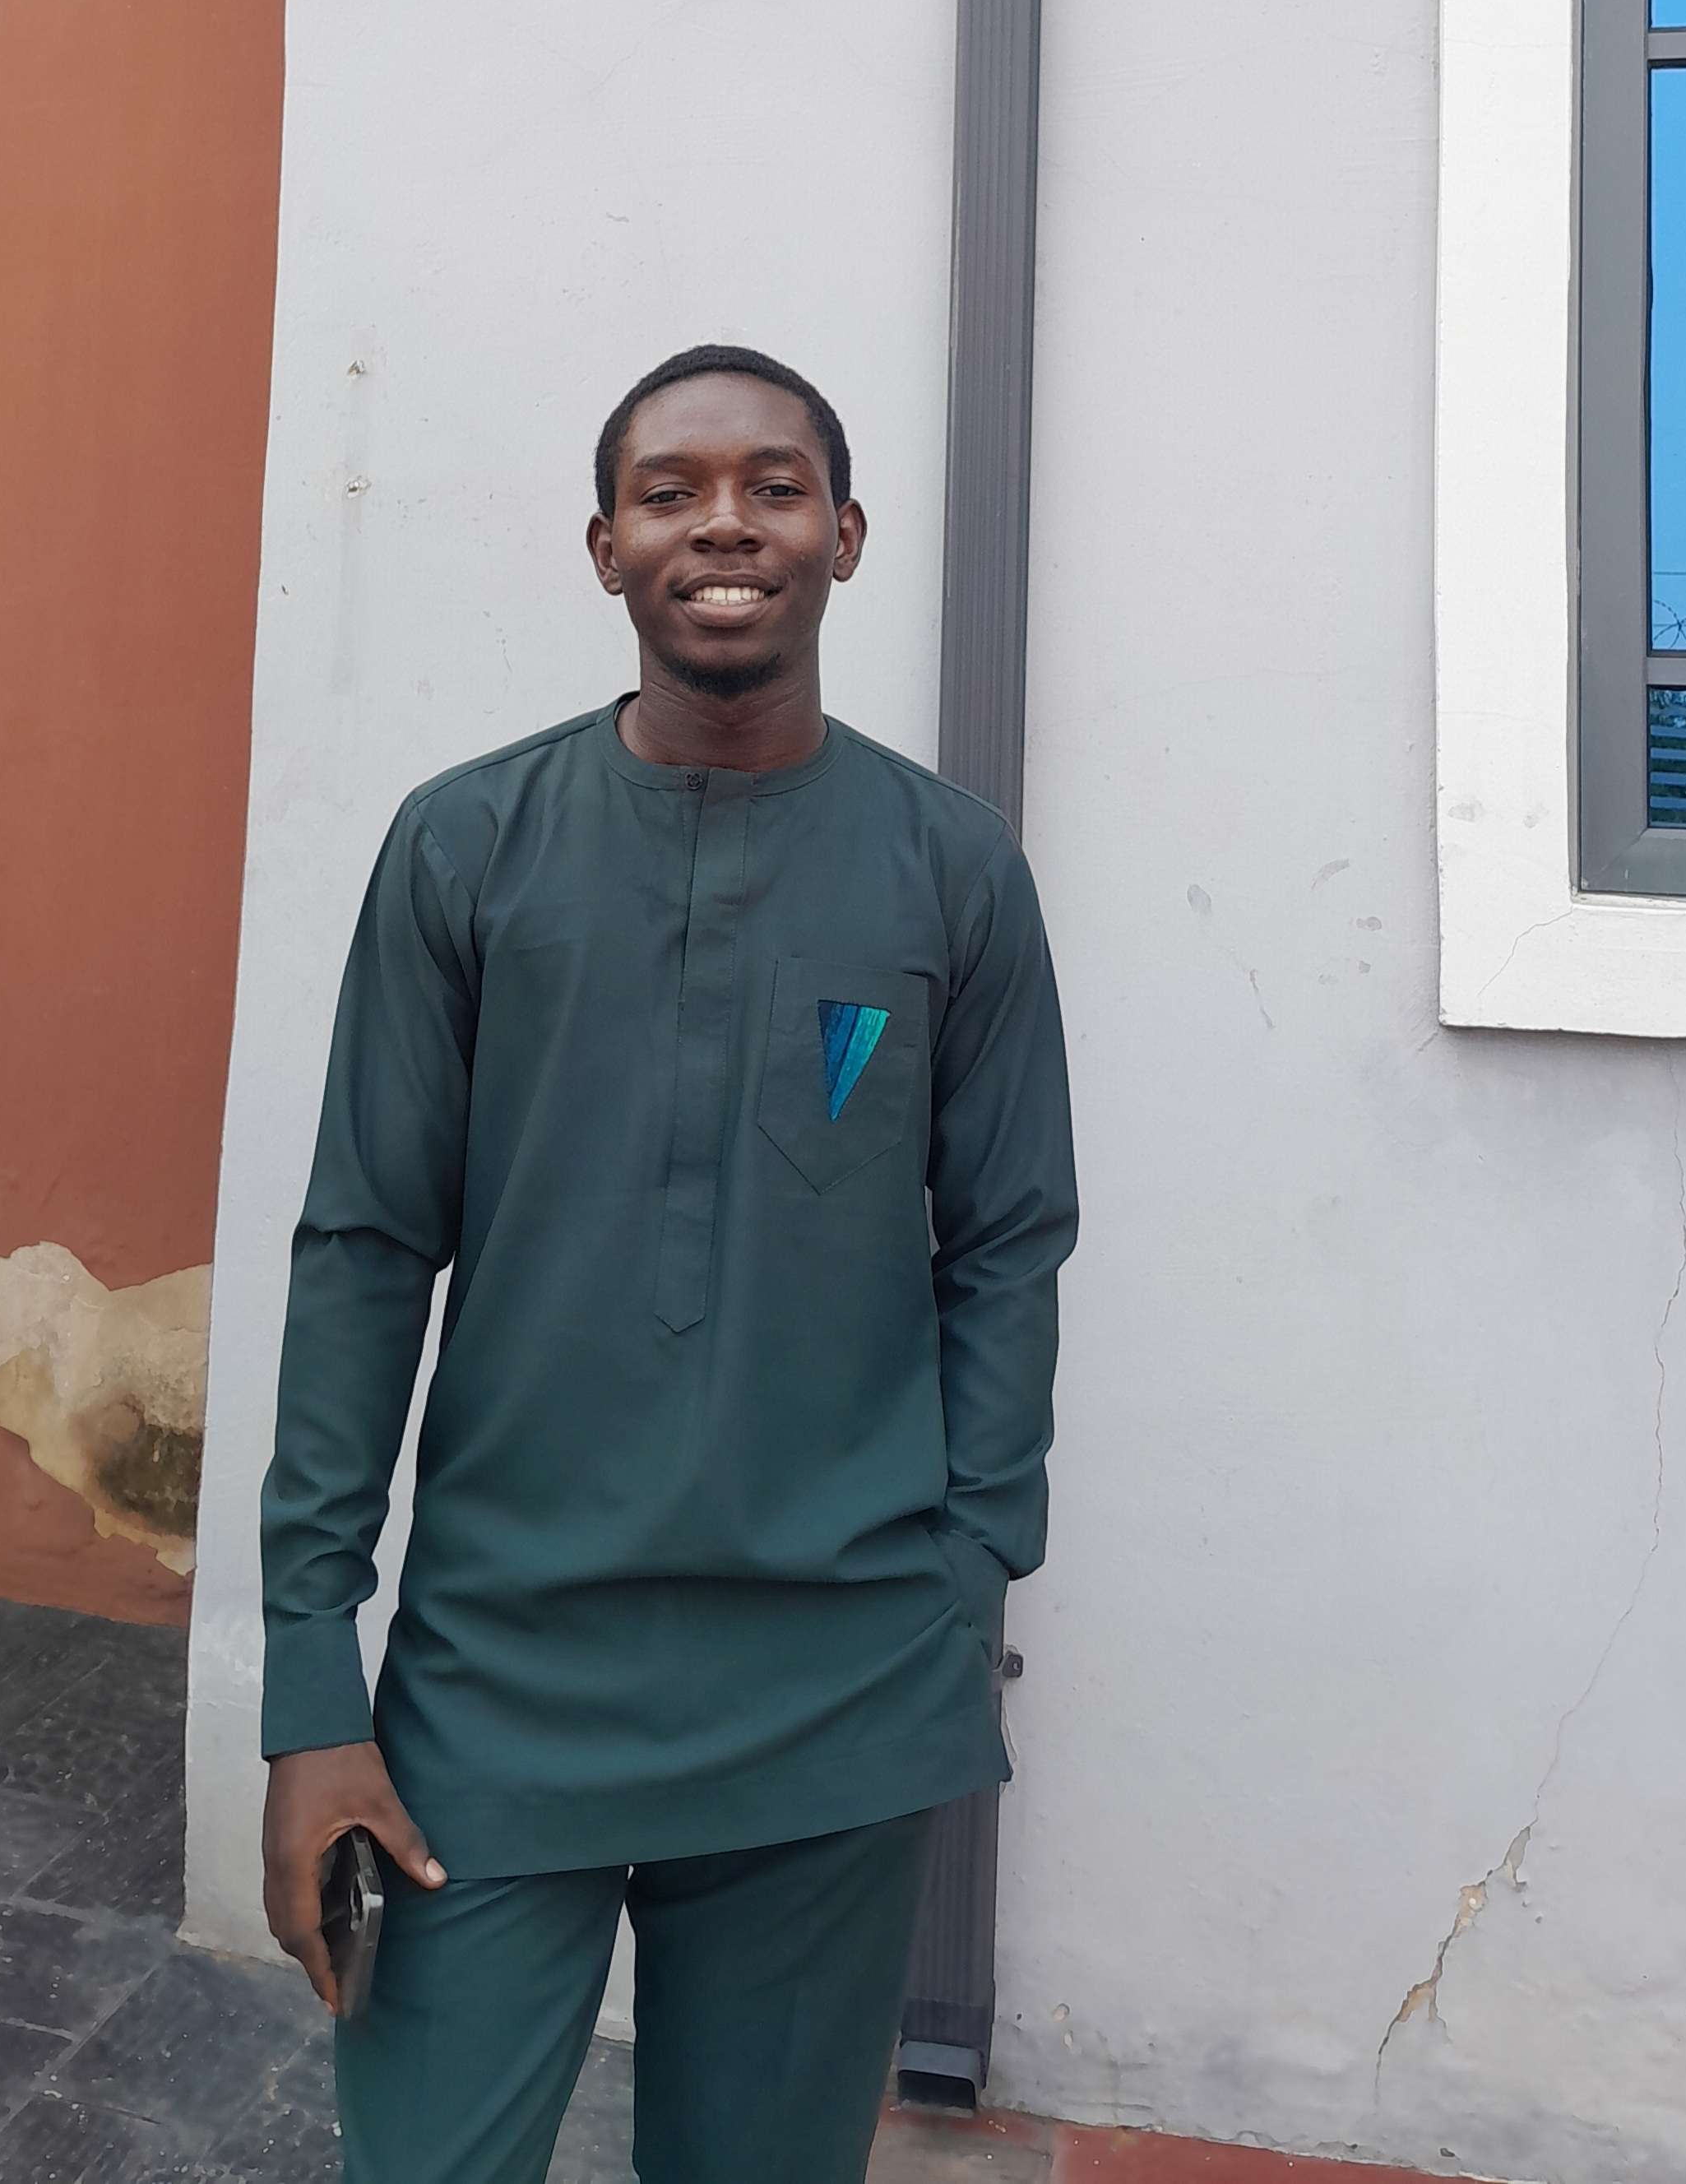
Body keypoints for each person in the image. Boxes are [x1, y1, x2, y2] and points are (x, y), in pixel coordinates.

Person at [257, 343, 1078, 2184]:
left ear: (845, 536)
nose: (725, 525)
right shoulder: (469, 847)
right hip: (497, 1681)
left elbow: (1011, 1242)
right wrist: (312, 1682)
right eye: (671, 491)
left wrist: (966, 1576)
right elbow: (365, 1252)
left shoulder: (952, 870)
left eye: (775, 487)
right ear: (605, 547)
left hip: (835, 1692)